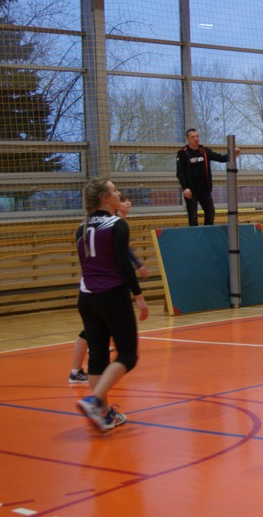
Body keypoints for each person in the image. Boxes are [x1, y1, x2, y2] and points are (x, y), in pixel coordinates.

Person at [74, 178, 150, 433]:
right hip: (112, 295)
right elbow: (122, 263)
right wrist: (138, 296)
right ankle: (94, 400)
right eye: (115, 190)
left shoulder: (82, 227)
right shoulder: (117, 224)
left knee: (97, 356)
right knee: (128, 355)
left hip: (86, 297)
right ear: (106, 198)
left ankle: (104, 414)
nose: (118, 194)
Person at [176, 128, 239, 226]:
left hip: (204, 190)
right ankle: (195, 235)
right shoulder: (183, 153)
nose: (196, 138)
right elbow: (180, 173)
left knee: (210, 213)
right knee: (193, 218)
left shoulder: (205, 151)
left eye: (197, 136)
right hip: (191, 191)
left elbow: (221, 158)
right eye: (193, 137)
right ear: (187, 139)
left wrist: (232, 154)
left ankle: (208, 233)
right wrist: (185, 188)